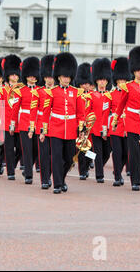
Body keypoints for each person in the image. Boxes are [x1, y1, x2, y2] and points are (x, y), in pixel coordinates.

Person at [41, 52, 88, 194]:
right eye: (63, 76)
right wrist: (44, 130)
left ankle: (61, 179)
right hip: (55, 128)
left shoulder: (77, 92)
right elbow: (46, 112)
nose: (66, 79)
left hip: (71, 129)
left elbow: (81, 112)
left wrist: (82, 129)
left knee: (69, 159)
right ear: (59, 76)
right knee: (56, 157)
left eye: (68, 76)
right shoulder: (52, 92)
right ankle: (57, 184)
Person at [111, 46, 140, 191]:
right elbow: (121, 105)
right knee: (134, 152)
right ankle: (136, 181)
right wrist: (115, 121)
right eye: (137, 70)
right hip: (132, 121)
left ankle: (136, 173)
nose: (139, 72)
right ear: (134, 71)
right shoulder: (128, 87)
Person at [13, 57, 40, 184]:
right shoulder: (20, 91)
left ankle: (28, 168)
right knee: (27, 150)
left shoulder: (40, 91)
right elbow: (15, 109)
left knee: (36, 149)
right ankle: (28, 174)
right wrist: (13, 125)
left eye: (35, 76)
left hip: (37, 123)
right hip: (24, 123)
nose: (33, 78)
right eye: (31, 75)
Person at [30, 54, 55, 189]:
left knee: (54, 155)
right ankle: (44, 180)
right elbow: (33, 111)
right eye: (47, 77)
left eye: (51, 77)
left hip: (56, 125)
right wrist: (32, 127)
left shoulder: (57, 92)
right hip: (41, 126)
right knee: (44, 154)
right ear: (44, 77)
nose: (49, 80)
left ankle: (52, 174)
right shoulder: (38, 92)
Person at [87, 58, 113, 183]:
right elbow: (88, 112)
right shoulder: (92, 95)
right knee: (97, 151)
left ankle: (95, 163)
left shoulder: (110, 96)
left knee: (107, 152)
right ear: (96, 80)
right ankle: (99, 174)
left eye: (104, 80)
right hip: (95, 127)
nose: (102, 82)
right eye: (100, 80)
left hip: (107, 128)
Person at [109, 57, 131, 186]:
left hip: (127, 125)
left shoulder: (130, 93)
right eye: (119, 80)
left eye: (123, 80)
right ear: (116, 80)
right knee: (117, 152)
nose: (121, 82)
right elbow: (107, 113)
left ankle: (118, 169)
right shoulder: (111, 94)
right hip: (115, 126)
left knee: (125, 153)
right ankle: (117, 176)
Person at [0, 55, 23, 180]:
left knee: (20, 148)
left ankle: (12, 165)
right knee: (8, 148)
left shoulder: (22, 90)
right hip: (7, 122)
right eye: (12, 75)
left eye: (16, 74)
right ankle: (10, 172)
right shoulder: (3, 90)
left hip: (19, 123)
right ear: (8, 75)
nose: (14, 77)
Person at [73, 63, 93, 180]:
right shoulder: (77, 95)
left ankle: (89, 163)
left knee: (90, 150)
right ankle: (82, 170)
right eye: (83, 83)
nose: (85, 86)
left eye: (87, 83)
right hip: (80, 125)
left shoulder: (92, 95)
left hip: (91, 126)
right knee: (81, 149)